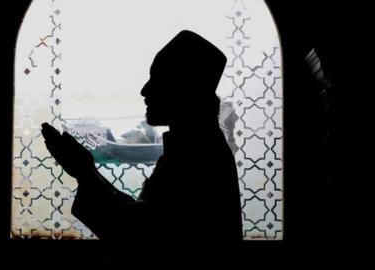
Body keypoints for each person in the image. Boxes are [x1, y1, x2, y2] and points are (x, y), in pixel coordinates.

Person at [42, 30, 242, 265]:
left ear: (184, 88)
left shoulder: (198, 159)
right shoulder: (198, 147)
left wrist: (84, 173)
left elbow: (136, 239)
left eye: (157, 78)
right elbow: (141, 218)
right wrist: (87, 172)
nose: (145, 90)